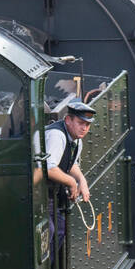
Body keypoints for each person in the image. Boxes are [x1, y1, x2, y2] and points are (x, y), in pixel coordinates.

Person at [43, 98, 95, 251]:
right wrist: (72, 183)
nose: (84, 128)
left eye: (87, 124)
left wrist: (82, 181)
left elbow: (71, 163)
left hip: (51, 196)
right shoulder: (56, 136)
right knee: (51, 230)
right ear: (68, 120)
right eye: (80, 123)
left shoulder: (77, 141)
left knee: (60, 229)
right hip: (37, 195)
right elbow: (49, 167)